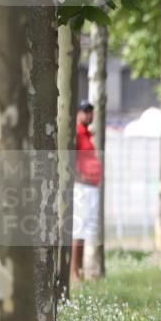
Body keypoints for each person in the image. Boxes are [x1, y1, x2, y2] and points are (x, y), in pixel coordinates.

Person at [70, 100, 101, 281]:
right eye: (85, 111)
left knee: (84, 231)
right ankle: (74, 273)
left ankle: (79, 271)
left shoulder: (87, 134)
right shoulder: (76, 133)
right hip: (82, 187)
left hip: (90, 187)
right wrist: (79, 177)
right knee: (78, 229)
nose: (89, 115)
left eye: (91, 111)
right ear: (78, 114)